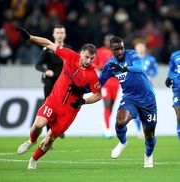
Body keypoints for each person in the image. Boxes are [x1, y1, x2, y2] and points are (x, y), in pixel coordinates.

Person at [16, 27, 102, 170]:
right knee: (38, 124)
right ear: (81, 53)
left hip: (69, 110)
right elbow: (49, 44)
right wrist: (30, 37)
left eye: (91, 58)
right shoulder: (70, 56)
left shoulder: (92, 75)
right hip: (54, 100)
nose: (88, 61)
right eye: (86, 57)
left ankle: (33, 160)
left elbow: (98, 94)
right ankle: (32, 141)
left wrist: (84, 101)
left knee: (50, 138)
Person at [99, 36, 157, 168]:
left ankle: (148, 155)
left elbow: (140, 68)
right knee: (119, 122)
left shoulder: (132, 54)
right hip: (130, 98)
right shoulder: (110, 65)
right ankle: (123, 142)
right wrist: (82, 89)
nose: (120, 51)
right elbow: (99, 82)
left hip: (148, 99)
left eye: (121, 48)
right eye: (116, 49)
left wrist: (125, 69)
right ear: (111, 50)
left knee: (149, 136)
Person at [35, 24, 71, 138]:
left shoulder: (68, 48)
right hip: (50, 82)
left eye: (62, 33)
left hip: (63, 84)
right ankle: (48, 136)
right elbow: (38, 65)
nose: (60, 35)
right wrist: (46, 71)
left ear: (65, 35)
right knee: (48, 108)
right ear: (53, 34)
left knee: (63, 107)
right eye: (58, 33)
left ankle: (58, 128)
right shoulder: (47, 49)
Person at [93, 34, 120, 138]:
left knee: (111, 106)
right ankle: (108, 129)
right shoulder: (99, 51)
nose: (109, 42)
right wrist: (99, 67)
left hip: (115, 83)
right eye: (107, 40)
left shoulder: (118, 52)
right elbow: (93, 64)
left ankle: (105, 124)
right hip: (105, 82)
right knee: (107, 104)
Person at [134, 41, 158, 138]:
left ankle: (147, 128)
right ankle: (139, 130)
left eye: (141, 47)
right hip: (135, 87)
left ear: (145, 48)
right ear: (135, 49)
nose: (140, 49)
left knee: (147, 109)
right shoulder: (132, 59)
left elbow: (155, 71)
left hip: (147, 87)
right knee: (136, 109)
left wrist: (151, 76)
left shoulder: (150, 59)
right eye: (138, 47)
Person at [165, 50, 180, 140]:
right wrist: (169, 78)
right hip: (177, 87)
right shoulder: (175, 55)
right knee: (178, 113)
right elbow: (171, 68)